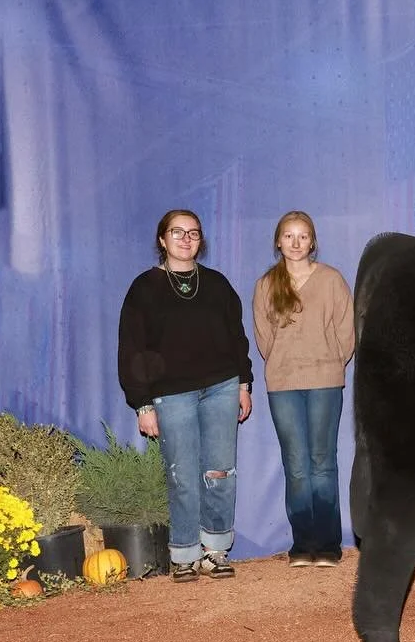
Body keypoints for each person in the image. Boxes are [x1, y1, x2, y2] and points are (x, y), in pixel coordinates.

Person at [118, 210, 253, 582]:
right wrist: (142, 403)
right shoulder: (144, 288)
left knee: (220, 471)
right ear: (162, 239)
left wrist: (243, 383)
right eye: (176, 232)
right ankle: (184, 554)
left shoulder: (218, 284)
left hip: (222, 387)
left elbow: (237, 338)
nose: (185, 238)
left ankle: (215, 550)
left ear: (201, 240)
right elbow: (132, 348)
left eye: (193, 233)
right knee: (182, 475)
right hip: (171, 394)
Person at [252, 211, 355, 568]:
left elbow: (346, 332)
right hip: (283, 384)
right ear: (278, 241)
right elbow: (265, 340)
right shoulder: (267, 285)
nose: (296, 243)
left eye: (303, 236)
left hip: (325, 381)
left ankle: (327, 544)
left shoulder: (331, 280)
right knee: (296, 465)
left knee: (322, 463)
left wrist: (328, 363)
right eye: (289, 236)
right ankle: (303, 543)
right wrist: (285, 364)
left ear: (313, 241)